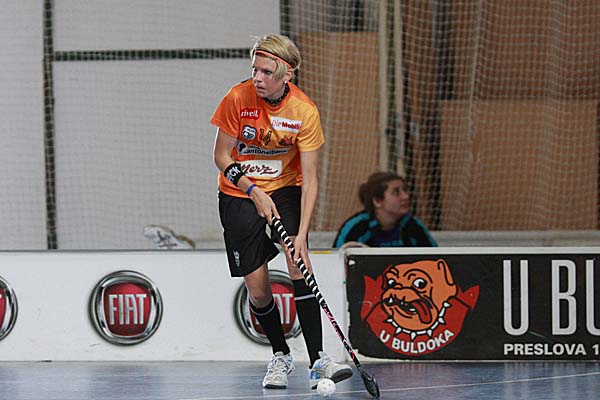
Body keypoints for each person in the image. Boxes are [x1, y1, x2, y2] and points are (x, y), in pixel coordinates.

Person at [210, 34, 352, 390]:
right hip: (238, 193)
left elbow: (311, 180)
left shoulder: (304, 111)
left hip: (285, 189)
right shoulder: (237, 98)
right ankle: (280, 355)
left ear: (287, 74)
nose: (257, 78)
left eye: (266, 72)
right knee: (258, 290)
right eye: (254, 70)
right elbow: (221, 156)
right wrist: (252, 190)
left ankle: (318, 361)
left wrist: (302, 234)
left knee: (298, 261)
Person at [333, 171, 437, 248]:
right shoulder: (356, 228)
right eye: (396, 192)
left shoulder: (413, 226)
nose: (406, 196)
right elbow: (336, 262)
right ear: (377, 201)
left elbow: (436, 258)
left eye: (405, 190)